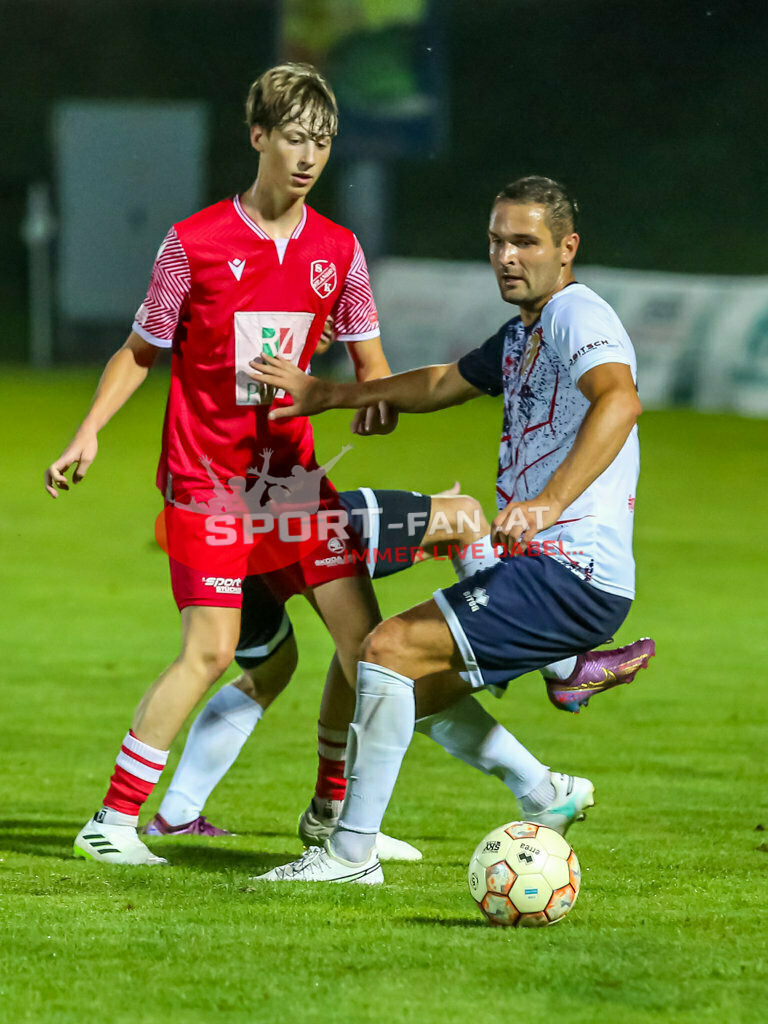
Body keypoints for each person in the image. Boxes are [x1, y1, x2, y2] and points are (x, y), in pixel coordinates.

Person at [44, 62, 410, 866]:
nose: (308, 157)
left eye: (320, 142)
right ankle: (111, 822)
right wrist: (89, 431)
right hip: (208, 483)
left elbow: (372, 368)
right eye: (293, 139)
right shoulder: (193, 244)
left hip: (292, 482)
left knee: (370, 646)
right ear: (258, 138)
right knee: (209, 650)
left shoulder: (339, 253)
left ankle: (335, 816)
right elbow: (140, 353)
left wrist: (372, 404)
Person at [250, 175, 647, 883]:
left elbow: (619, 402)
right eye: (497, 240)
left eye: (525, 241)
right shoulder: (527, 330)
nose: (506, 256)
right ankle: (544, 788)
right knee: (412, 692)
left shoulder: (575, 316)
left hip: (569, 569)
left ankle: (348, 856)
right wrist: (335, 394)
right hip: (549, 565)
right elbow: (443, 382)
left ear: (567, 248)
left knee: (386, 649)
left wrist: (551, 502)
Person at [144, 483, 654, 840]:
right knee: (462, 520)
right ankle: (559, 677)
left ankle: (178, 815)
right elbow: (382, 383)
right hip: (297, 517)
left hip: (228, 536)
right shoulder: (323, 323)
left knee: (287, 667)